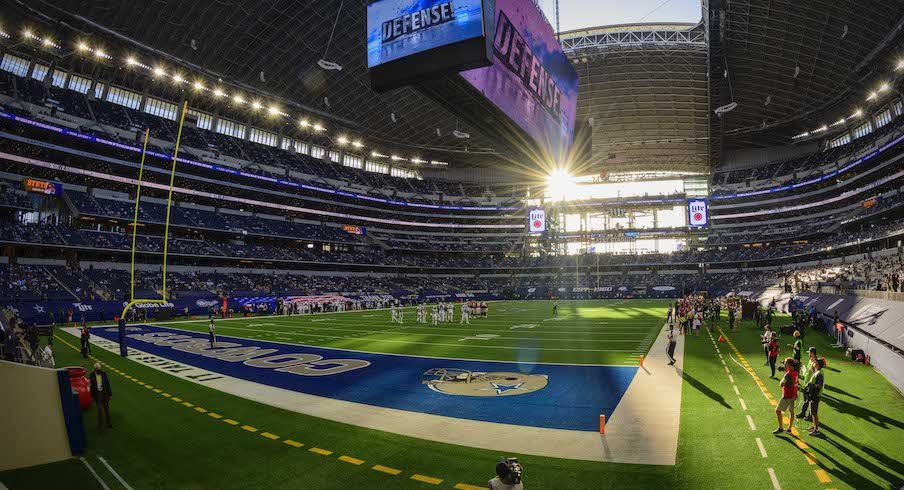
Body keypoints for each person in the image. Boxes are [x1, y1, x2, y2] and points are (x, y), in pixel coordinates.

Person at [773, 358, 799, 434]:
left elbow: (781, 384)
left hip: (787, 395)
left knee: (777, 411)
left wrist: (783, 377)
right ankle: (789, 428)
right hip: (793, 395)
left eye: (785, 363)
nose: (784, 364)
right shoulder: (795, 372)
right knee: (791, 412)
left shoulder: (788, 374)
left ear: (789, 365)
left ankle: (781, 428)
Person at [89, 362, 113, 431]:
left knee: (106, 410)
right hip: (97, 394)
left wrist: (110, 394)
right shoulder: (91, 375)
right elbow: (92, 386)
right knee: (100, 411)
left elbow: (107, 384)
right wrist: (92, 396)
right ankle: (101, 426)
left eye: (100, 368)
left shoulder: (104, 374)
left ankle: (109, 424)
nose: (99, 370)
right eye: (98, 369)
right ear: (95, 369)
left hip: (105, 393)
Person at [806, 359, 825, 437]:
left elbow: (819, 385)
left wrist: (811, 385)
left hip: (815, 396)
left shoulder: (819, 374)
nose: (813, 364)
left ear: (817, 365)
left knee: (814, 412)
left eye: (815, 363)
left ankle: (816, 430)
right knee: (812, 412)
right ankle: (814, 426)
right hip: (813, 394)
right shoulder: (817, 372)